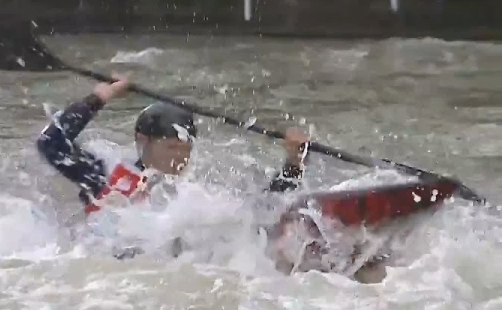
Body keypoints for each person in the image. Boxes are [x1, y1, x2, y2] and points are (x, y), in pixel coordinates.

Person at [35, 75, 387, 282]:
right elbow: (51, 143)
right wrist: (102, 95)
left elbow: (260, 211)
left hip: (170, 274)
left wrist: (293, 163)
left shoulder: (194, 193)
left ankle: (346, 259)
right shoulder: (106, 173)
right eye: (171, 146)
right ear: (143, 141)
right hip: (109, 277)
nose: (181, 156)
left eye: (186, 147)